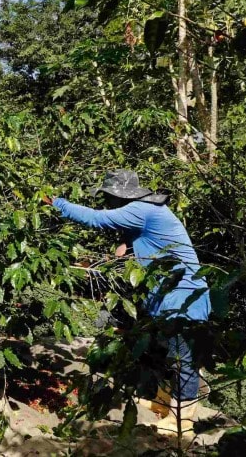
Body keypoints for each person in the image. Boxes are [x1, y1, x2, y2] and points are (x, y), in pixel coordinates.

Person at [44, 169, 210, 430]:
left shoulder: (141, 210)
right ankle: (166, 402)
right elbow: (138, 246)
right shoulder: (150, 211)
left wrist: (58, 203)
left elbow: (96, 219)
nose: (108, 203)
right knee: (164, 351)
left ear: (120, 196)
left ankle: (183, 422)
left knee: (183, 359)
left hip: (183, 297)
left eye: (110, 197)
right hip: (167, 296)